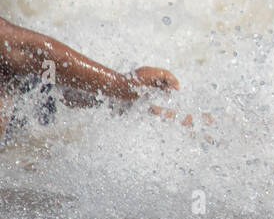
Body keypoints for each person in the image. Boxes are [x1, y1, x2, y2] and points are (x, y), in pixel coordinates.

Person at [0, 15, 178, 142]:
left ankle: (189, 122)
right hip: (25, 111)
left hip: (31, 101)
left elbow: (29, 49)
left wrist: (121, 84)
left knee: (124, 108)